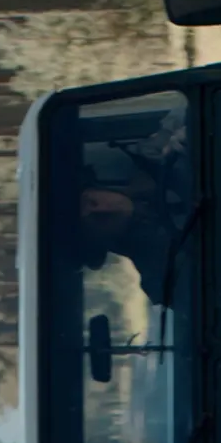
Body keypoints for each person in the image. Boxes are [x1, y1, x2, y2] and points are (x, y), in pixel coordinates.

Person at [80, 104, 189, 306]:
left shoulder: (155, 152)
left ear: (94, 187)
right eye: (89, 222)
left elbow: (200, 105)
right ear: (95, 242)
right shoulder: (159, 275)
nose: (102, 210)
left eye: (90, 201)